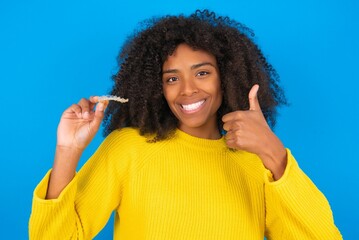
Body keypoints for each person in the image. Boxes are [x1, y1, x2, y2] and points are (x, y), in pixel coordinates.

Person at [29, 9, 342, 239]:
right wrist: (67, 151)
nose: (187, 89)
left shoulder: (258, 162)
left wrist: (274, 153)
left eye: (202, 72)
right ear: (158, 88)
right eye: (172, 78)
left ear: (227, 78)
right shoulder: (128, 150)